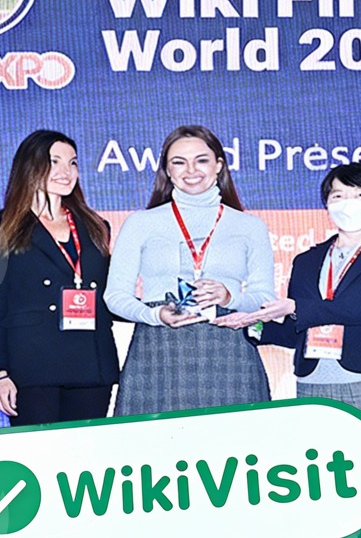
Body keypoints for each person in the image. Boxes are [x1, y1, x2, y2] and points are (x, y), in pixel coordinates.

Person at [216, 161, 361, 538]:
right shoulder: (307, 261)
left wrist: (297, 307)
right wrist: (253, 324)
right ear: (326, 204)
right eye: (338, 195)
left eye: (360, 194)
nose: (348, 202)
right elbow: (299, 328)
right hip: (316, 386)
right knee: (327, 492)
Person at [104, 125, 275, 415]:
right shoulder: (141, 223)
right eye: (179, 162)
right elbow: (115, 296)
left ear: (218, 165)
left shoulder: (250, 226)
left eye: (201, 160)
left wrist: (230, 298)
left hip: (228, 348)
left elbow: (264, 299)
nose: (191, 170)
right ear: (167, 170)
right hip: (158, 348)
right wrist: (154, 315)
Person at [0, 130, 119, 426]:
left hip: (91, 362)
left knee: (85, 454)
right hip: (32, 366)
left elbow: (111, 294)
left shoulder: (96, 226)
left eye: (73, 163)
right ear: (29, 166)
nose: (66, 172)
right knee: (40, 453)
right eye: (54, 162)